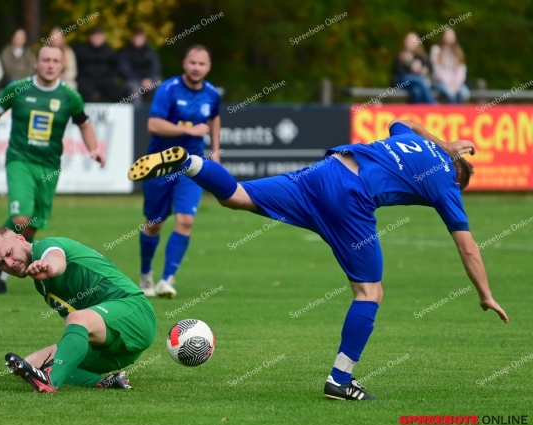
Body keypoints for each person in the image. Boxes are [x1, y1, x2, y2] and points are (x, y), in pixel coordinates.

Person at [128, 119, 508, 400]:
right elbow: (468, 246)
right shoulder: (446, 182)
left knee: (237, 195)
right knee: (370, 293)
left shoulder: (413, 142)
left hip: (325, 171)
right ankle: (340, 381)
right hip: (351, 197)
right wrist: (485, 293)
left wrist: (444, 144)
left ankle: (189, 163)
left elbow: (403, 123)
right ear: (459, 180)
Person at [0, 45, 105, 294]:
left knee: (32, 226)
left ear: (62, 65)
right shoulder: (17, 89)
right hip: (20, 160)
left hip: (50, 166)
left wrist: (94, 149)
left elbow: (84, 124)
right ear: (36, 63)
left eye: (55, 60)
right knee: (21, 218)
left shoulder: (69, 96)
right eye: (46, 60)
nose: (50, 64)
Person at [0, 227, 157, 392]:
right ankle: (104, 382)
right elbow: (74, 326)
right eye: (1, 263)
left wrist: (50, 268)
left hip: (136, 313)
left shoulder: (46, 246)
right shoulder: (41, 285)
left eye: (9, 254)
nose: (9, 263)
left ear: (20, 239)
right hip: (113, 347)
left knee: (77, 320)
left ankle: (50, 381)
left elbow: (57, 261)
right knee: (29, 365)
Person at [137, 44, 220, 298]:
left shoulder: (212, 93)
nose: (197, 68)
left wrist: (215, 150)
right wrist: (188, 130)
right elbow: (153, 124)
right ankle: (145, 275)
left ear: (208, 67)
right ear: (185, 63)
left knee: (186, 220)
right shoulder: (169, 89)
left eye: (202, 64)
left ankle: (167, 280)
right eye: (192, 63)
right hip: (159, 164)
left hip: (192, 165)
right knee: (154, 224)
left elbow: (214, 117)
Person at [74, 27, 124, 102]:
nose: (97, 39)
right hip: (86, 78)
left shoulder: (109, 50)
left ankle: (115, 112)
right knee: (83, 90)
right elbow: (76, 66)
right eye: (95, 36)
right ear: (90, 37)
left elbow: (115, 67)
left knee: (116, 90)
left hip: (105, 78)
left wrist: (111, 77)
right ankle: (84, 112)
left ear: (103, 38)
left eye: (99, 36)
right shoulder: (81, 50)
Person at [118, 29, 161, 104]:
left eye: (140, 38)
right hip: (132, 80)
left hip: (149, 80)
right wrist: (141, 80)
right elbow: (125, 70)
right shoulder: (125, 52)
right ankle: (137, 113)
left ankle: (158, 113)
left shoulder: (150, 51)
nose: (138, 40)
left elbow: (156, 67)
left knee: (160, 85)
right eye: (136, 38)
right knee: (134, 89)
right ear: (132, 39)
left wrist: (149, 79)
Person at [392, 32, 436, 104]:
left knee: (416, 91)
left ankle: (418, 113)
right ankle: (435, 107)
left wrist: (421, 70)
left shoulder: (422, 57)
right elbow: (398, 72)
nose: (409, 43)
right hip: (403, 82)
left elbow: (429, 71)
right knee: (420, 80)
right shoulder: (400, 55)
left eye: (412, 41)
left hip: (417, 85)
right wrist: (411, 67)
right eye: (408, 40)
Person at [430, 28, 470, 104]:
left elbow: (462, 70)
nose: (449, 37)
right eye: (447, 34)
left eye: (451, 35)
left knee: (465, 93)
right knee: (450, 93)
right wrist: (449, 83)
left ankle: (457, 112)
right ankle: (451, 112)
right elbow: (436, 70)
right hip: (440, 82)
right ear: (443, 36)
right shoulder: (436, 50)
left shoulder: (458, 52)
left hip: (456, 83)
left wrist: (456, 84)